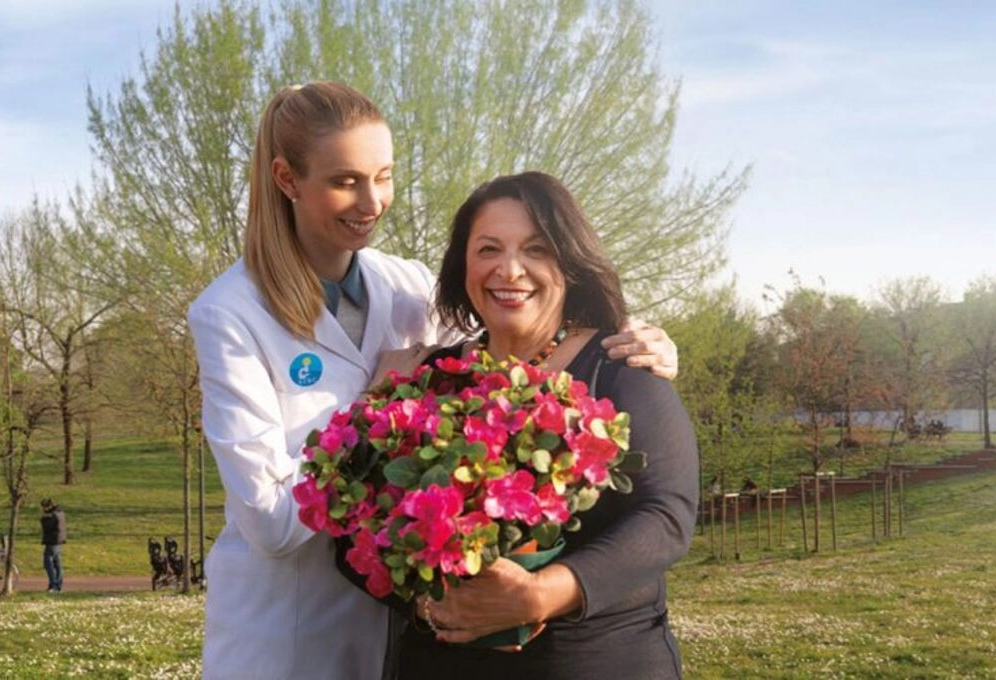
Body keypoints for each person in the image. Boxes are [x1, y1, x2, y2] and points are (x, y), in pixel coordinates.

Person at [188, 82, 679, 680]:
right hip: (291, 626)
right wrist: (373, 408)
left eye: (384, 175)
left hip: (407, 630)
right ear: (288, 180)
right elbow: (270, 520)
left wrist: (636, 336)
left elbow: (517, 318)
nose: (372, 201)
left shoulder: (407, 285)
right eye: (346, 180)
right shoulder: (231, 313)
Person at [370, 172, 700, 679]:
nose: (510, 269)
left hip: (597, 662)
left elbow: (667, 514)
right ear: (463, 266)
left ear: (569, 262)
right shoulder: (427, 383)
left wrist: (541, 595)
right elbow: (354, 528)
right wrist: (426, 603)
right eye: (488, 249)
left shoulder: (620, 366)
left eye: (537, 249)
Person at [40, 497, 66, 593]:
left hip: (52, 542)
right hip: (59, 542)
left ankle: (53, 585)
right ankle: (58, 585)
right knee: (58, 564)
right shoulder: (61, 513)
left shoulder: (52, 516)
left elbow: (47, 526)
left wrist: (43, 518)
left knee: (48, 564)